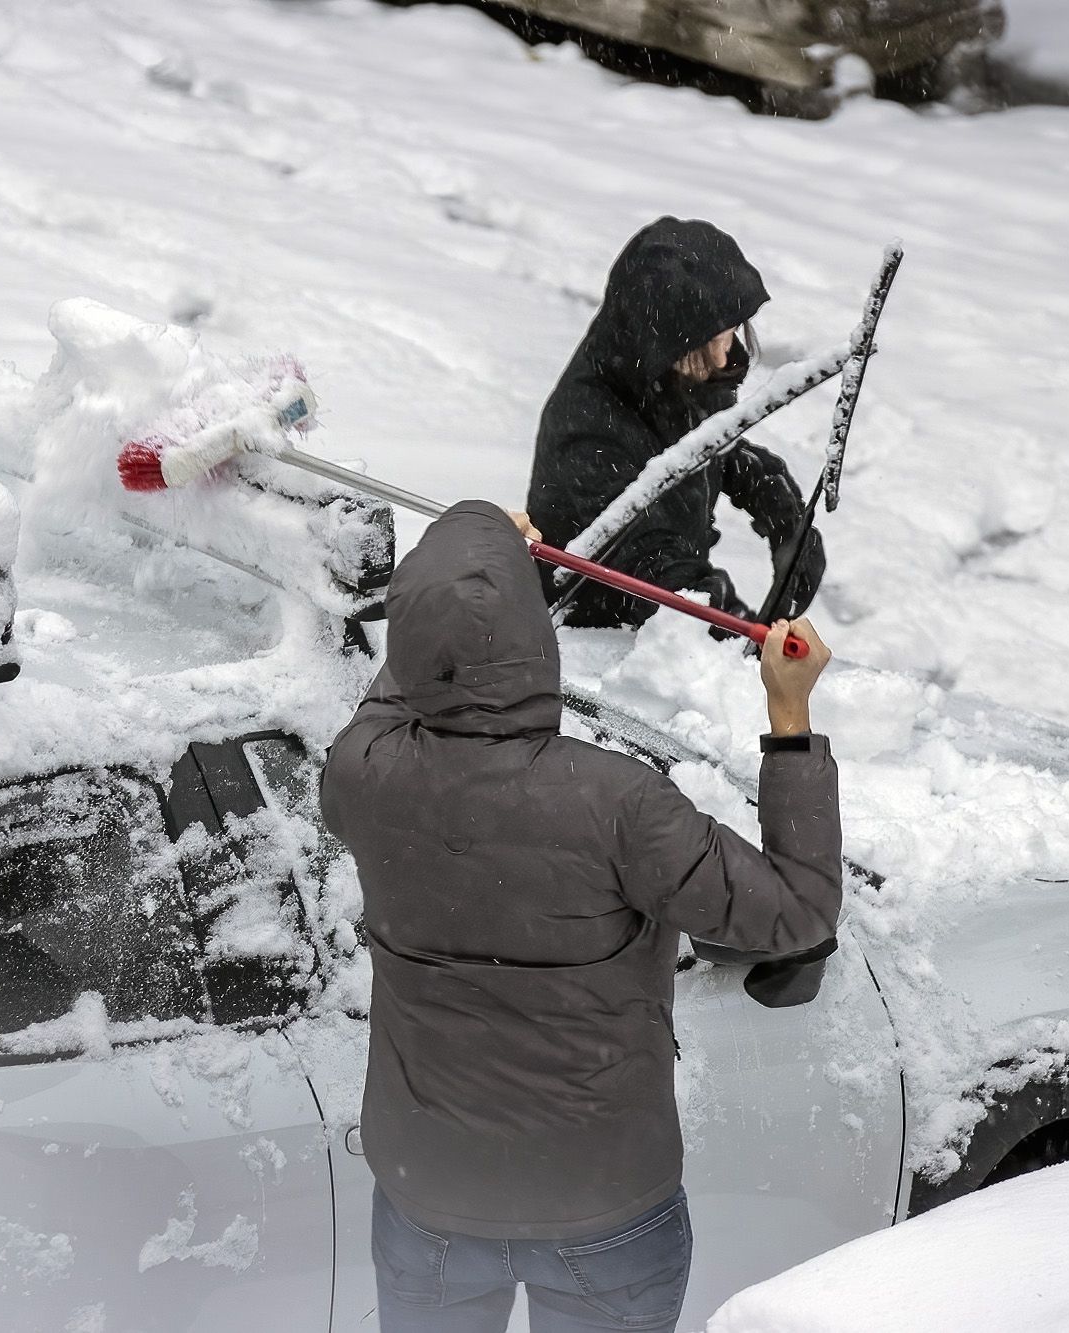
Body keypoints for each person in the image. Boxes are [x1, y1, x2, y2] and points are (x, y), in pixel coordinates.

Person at [320, 500, 842, 1332]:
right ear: (537, 639)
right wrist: (788, 715)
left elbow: (417, 679)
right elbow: (801, 910)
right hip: (601, 1206)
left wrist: (485, 569)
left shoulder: (361, 775)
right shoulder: (620, 805)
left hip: (431, 1200)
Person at [528, 217, 825, 630]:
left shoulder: (667, 380)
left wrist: (773, 500)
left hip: (652, 621)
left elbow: (700, 449)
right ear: (665, 342)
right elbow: (648, 564)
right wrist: (729, 621)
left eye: (731, 334)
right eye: (711, 343)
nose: (725, 358)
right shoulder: (588, 430)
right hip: (588, 635)